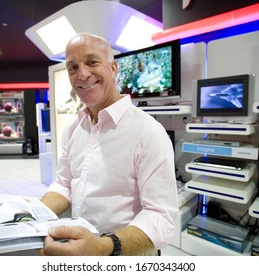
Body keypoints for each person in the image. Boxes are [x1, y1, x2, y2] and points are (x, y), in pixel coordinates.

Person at [40, 33, 178, 256]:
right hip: (80, 249)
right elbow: (64, 184)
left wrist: (102, 247)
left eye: (92, 62)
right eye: (73, 67)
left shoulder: (148, 132)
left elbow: (160, 216)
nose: (82, 74)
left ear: (113, 68)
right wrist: (31, 215)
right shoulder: (73, 129)